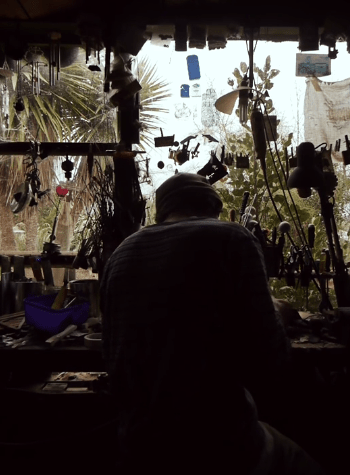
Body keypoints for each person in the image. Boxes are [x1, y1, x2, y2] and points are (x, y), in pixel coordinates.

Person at [100, 173, 323, 475]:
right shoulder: (233, 237)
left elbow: (112, 360)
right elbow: (271, 360)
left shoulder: (121, 253)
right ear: (214, 208)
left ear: (162, 212)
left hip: (139, 446)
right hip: (219, 445)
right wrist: (277, 316)